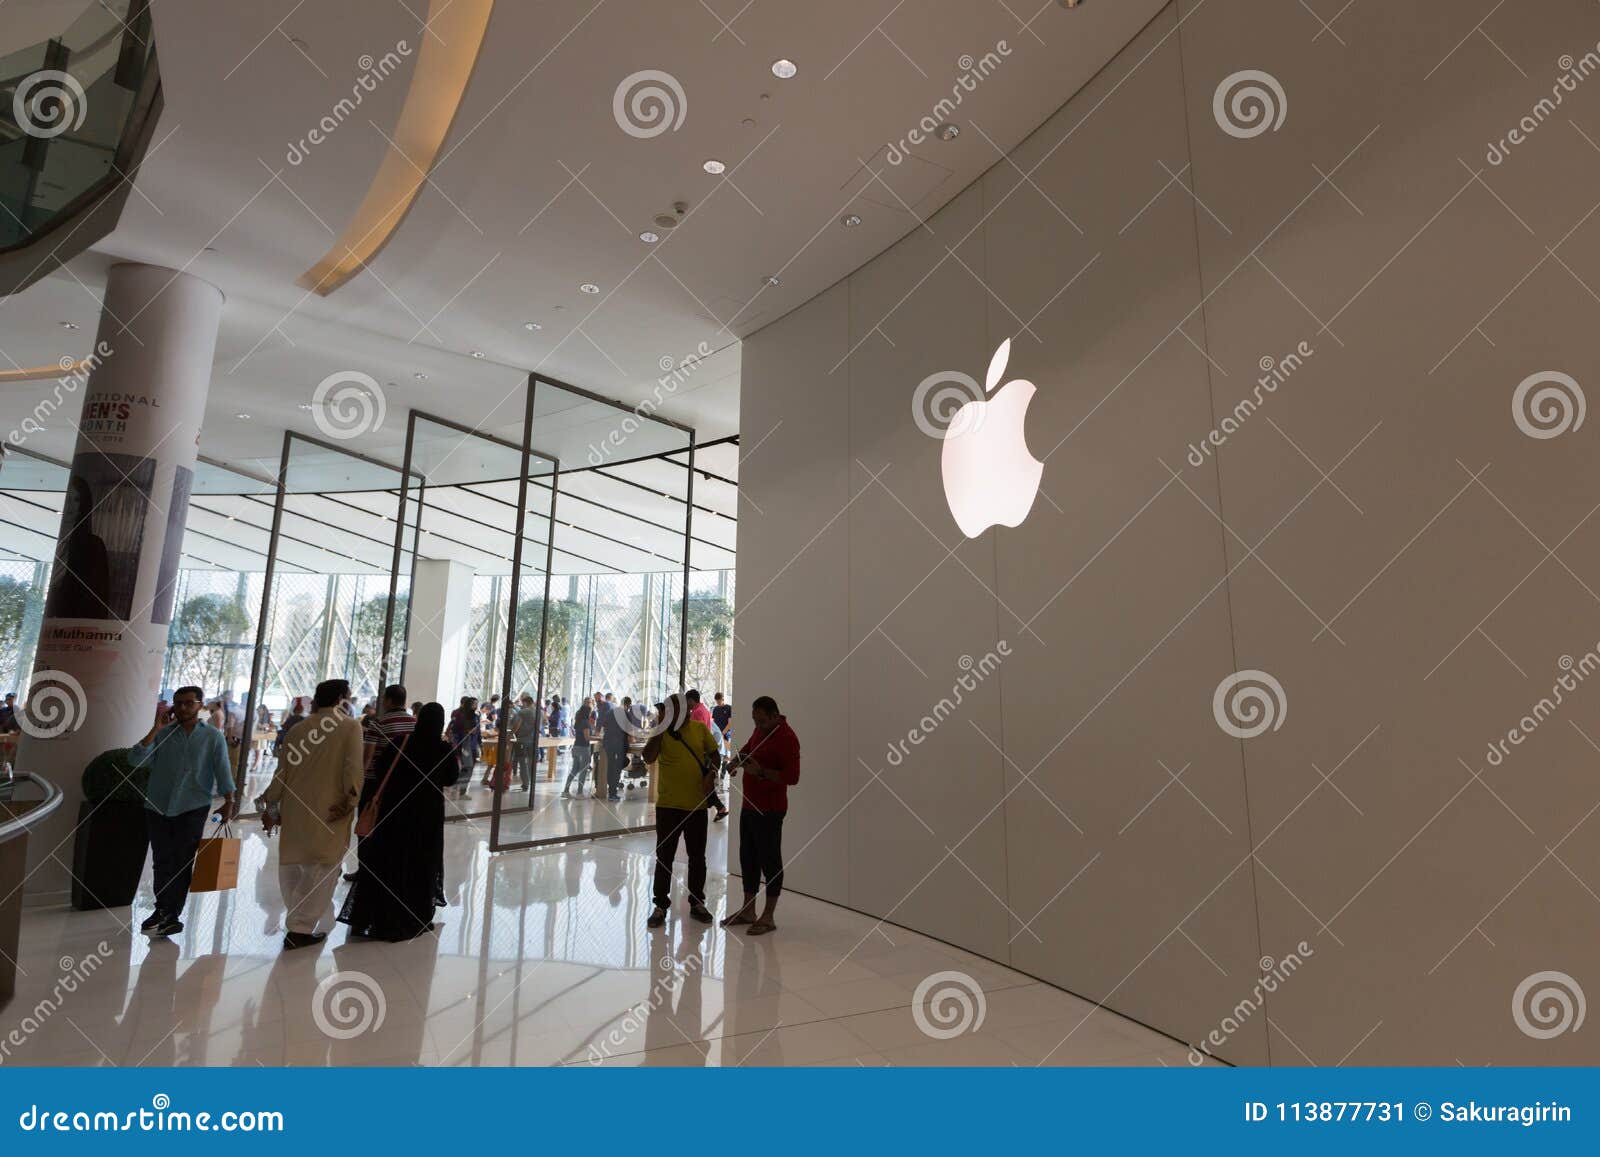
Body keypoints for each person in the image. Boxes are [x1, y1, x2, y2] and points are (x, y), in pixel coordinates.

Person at [260, 680, 363, 950]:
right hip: (330, 809)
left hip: (296, 810)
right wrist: (351, 800)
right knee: (324, 868)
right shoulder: (350, 727)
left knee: (295, 865)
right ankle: (299, 930)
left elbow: (281, 774)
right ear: (341, 698)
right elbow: (353, 769)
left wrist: (271, 807)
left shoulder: (297, 729)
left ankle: (297, 923)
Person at [339, 702, 455, 941]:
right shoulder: (442, 749)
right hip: (426, 816)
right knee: (421, 863)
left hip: (395, 812)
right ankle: (416, 914)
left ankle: (381, 914)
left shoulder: (400, 743)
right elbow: (451, 778)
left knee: (390, 860)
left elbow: (381, 771)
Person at [128, 685, 237, 938]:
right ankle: (162, 908)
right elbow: (136, 760)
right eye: (178, 703)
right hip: (158, 805)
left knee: (182, 861)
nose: (183, 708)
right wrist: (156, 728)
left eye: (189, 703)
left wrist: (229, 800)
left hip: (193, 806)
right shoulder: (164, 734)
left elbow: (222, 769)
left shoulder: (212, 736)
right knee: (161, 860)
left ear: (200, 705)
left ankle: (172, 914)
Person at [722, 696, 801, 936]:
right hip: (749, 805)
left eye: (762, 721)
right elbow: (748, 749)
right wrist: (736, 762)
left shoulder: (788, 739)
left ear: (775, 716)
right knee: (748, 858)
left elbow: (793, 777)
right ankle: (748, 910)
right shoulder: (760, 731)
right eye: (754, 721)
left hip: (770, 809)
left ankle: (768, 916)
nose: (757, 725)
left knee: (770, 861)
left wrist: (762, 772)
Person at [643, 694, 720, 928]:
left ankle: (697, 902)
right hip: (668, 806)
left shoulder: (699, 729)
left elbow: (715, 755)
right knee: (665, 857)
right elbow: (648, 756)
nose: (684, 714)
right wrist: (659, 728)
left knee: (697, 857)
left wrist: (711, 773)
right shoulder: (661, 733)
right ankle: (660, 905)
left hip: (697, 806)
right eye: (677, 710)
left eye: (686, 709)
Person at [686, 689, 729, 821]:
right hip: (704, 751)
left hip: (700, 752)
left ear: (691, 700)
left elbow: (696, 735)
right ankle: (719, 808)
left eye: (687, 701)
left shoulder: (697, 712)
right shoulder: (704, 710)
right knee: (703, 783)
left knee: (702, 783)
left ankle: (718, 808)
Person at [562, 696, 595, 797]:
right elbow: (587, 738)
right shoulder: (586, 723)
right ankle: (580, 793)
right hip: (584, 748)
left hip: (576, 747)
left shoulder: (579, 721)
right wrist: (598, 738)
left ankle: (565, 791)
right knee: (583, 771)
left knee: (574, 769)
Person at [450, 696, 481, 798]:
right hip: (464, 744)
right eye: (474, 704)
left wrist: (479, 745)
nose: (476, 706)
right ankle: (459, 788)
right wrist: (466, 731)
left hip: (473, 745)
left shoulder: (476, 716)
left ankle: (460, 788)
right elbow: (454, 729)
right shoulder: (460, 715)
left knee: (469, 768)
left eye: (477, 704)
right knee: (467, 767)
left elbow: (478, 731)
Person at [601, 693, 629, 801]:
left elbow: (604, 725)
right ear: (627, 705)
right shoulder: (625, 713)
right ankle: (613, 792)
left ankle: (611, 791)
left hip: (608, 743)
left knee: (610, 766)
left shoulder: (609, 712)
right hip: (619, 745)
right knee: (617, 768)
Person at [510, 693, 541, 792]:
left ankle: (525, 784)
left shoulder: (523, 712)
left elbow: (517, 725)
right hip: (534, 740)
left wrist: (510, 734)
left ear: (525, 702)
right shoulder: (539, 712)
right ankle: (532, 781)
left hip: (522, 740)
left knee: (522, 762)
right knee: (532, 762)